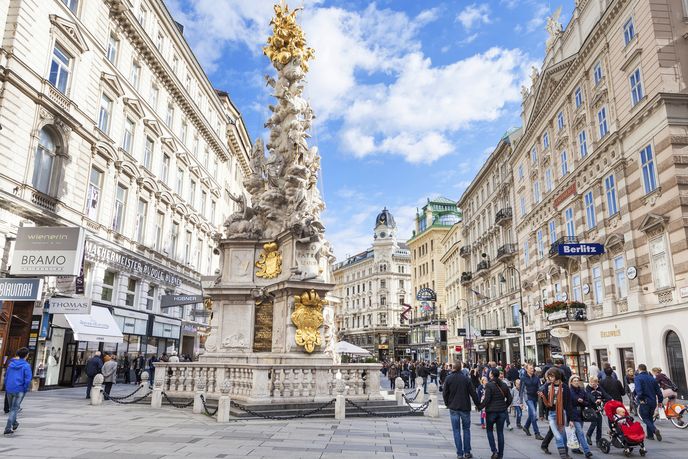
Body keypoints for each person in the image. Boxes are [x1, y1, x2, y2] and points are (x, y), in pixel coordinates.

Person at [443, 362, 480, 459]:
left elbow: (445, 393)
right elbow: (473, 393)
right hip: (465, 407)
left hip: (454, 407)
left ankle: (459, 453)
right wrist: (478, 405)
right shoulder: (466, 379)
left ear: (453, 368)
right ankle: (467, 452)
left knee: (456, 430)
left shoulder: (449, 378)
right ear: (461, 368)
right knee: (466, 429)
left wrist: (447, 404)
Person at [539, 368, 573, 459]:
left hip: (563, 413)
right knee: (558, 436)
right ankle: (563, 455)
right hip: (551, 414)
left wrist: (571, 419)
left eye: (552, 376)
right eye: (549, 376)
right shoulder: (547, 386)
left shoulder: (565, 387)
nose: (550, 378)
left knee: (563, 435)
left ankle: (564, 454)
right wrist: (541, 413)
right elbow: (543, 401)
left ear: (557, 376)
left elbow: (569, 403)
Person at [479, 368, 513, 459]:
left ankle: (494, 451)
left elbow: (487, 399)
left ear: (491, 375)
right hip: (502, 412)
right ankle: (500, 454)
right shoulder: (504, 385)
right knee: (500, 432)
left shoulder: (489, 385)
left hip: (491, 412)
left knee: (489, 431)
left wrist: (480, 407)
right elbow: (510, 399)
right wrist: (504, 406)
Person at [3, 347, 32, 435]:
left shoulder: (11, 364)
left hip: (9, 388)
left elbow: (6, 376)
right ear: (26, 355)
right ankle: (8, 427)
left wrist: (7, 386)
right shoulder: (26, 365)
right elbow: (28, 379)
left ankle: (15, 423)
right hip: (19, 389)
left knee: (13, 408)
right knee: (14, 408)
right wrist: (25, 388)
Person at [634, 364, 663, 441]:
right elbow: (659, 392)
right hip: (653, 401)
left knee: (645, 418)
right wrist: (660, 401)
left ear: (639, 369)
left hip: (644, 400)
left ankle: (654, 430)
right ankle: (650, 435)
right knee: (650, 417)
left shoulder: (638, 378)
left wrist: (638, 399)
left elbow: (639, 390)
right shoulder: (652, 378)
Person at [568, 375, 593, 458]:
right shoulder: (569, 391)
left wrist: (582, 402)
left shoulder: (582, 390)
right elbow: (568, 406)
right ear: (571, 382)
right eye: (574, 381)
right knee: (580, 433)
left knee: (578, 432)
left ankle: (575, 448)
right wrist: (570, 419)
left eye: (577, 380)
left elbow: (587, 402)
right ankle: (587, 451)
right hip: (574, 414)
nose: (576, 382)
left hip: (581, 414)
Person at [520, 363, 544, 439]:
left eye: (532, 368)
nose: (532, 369)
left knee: (531, 414)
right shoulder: (523, 378)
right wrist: (521, 402)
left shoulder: (536, 378)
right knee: (533, 413)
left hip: (535, 397)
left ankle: (526, 427)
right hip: (528, 397)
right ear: (526, 369)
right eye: (530, 368)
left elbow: (539, 387)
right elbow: (521, 390)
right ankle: (537, 433)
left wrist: (540, 391)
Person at [585, 376, 609, 447]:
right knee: (594, 422)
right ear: (590, 382)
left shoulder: (599, 387)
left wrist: (611, 399)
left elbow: (605, 394)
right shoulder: (588, 388)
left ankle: (598, 441)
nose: (594, 384)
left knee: (599, 424)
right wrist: (595, 400)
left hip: (598, 407)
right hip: (591, 407)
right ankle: (588, 435)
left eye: (595, 383)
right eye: (592, 383)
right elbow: (589, 396)